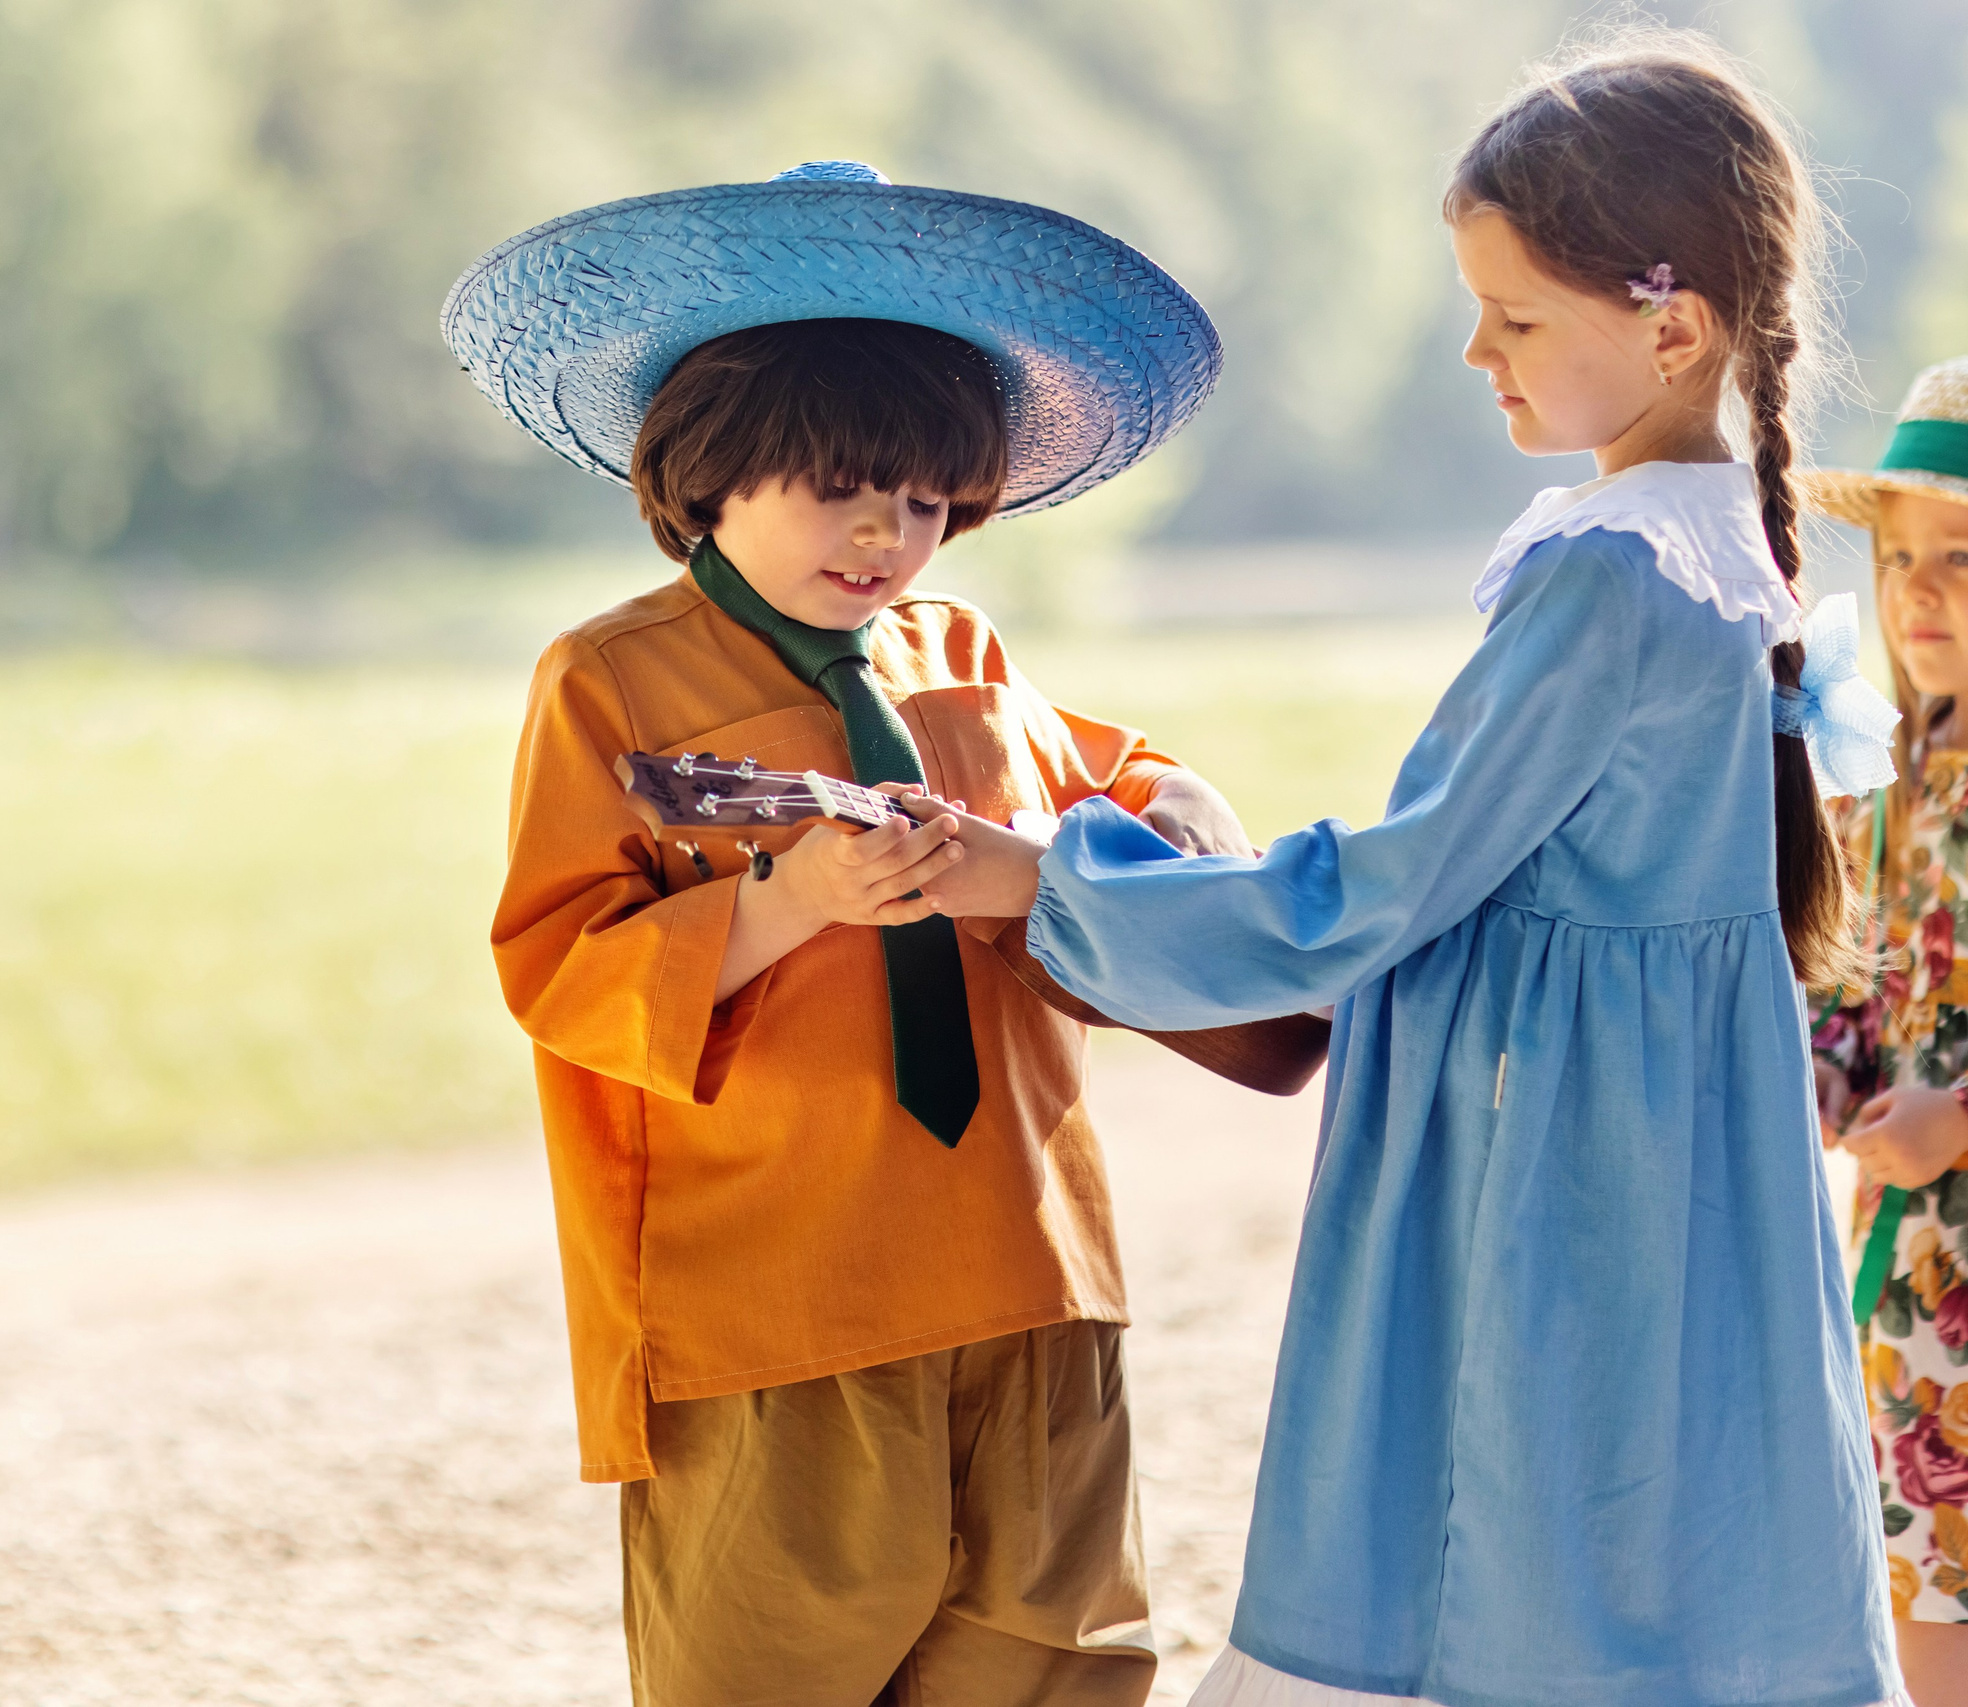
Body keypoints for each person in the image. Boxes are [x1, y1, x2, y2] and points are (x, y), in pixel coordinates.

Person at [916, 41, 1902, 1707]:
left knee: (1491, 1534)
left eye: (1516, 317)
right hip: (1683, 1157)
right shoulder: (1730, 551)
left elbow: (1386, 889)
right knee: (1663, 1528)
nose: (1476, 351)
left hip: (1547, 1159)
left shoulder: (1609, 577)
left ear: (1673, 327)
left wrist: (1053, 881)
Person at [448, 160, 1246, 1704]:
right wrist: (783, 900)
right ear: (710, 469)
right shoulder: (611, 682)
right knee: (774, 1659)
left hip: (1028, 1264)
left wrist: (1184, 802)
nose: (889, 531)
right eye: (841, 486)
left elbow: (1110, 782)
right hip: (778, 1294)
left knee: (1059, 1656)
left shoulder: (961, 651)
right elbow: (559, 966)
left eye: (933, 499)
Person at [1805, 354, 1968, 1705]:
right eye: (1903, 554)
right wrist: (1818, 1075)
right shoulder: (1885, 791)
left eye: (1963, 555)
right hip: (1920, 1278)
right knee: (1924, 1575)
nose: (1919, 590)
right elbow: (1856, 999)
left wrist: (1954, 1122)